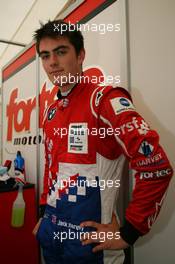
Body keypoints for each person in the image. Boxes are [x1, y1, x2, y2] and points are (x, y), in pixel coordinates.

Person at [33, 20, 173, 264]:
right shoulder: (51, 111)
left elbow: (156, 166)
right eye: (45, 56)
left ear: (81, 55)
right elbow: (51, 166)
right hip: (51, 237)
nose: (52, 62)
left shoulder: (104, 99)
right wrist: (44, 213)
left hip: (92, 247)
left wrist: (128, 233)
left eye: (61, 52)